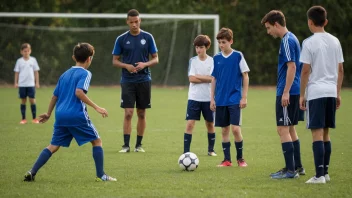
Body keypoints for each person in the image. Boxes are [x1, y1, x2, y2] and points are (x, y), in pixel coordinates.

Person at [23, 43, 116, 182]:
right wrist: (96, 107)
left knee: (53, 146)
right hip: (76, 115)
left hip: (60, 115)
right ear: (89, 59)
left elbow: (55, 96)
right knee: (97, 141)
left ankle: (32, 171)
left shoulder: (65, 74)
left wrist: (48, 113)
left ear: (74, 57)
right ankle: (101, 175)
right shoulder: (85, 73)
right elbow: (79, 92)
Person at [300, 5, 344, 184]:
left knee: (317, 133)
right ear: (325, 21)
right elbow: (340, 69)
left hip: (316, 92)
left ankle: (318, 176)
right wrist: (338, 92)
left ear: (310, 22)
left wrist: (302, 95)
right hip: (331, 92)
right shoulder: (335, 41)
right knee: (326, 133)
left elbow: (305, 71)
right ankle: (325, 173)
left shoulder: (309, 42)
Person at [261, 10, 305, 179]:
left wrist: (285, 92)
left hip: (287, 91)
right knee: (291, 128)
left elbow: (292, 67)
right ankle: (297, 166)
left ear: (276, 24)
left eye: (268, 27)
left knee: (282, 129)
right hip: (293, 90)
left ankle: (291, 171)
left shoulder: (287, 41)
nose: (268, 32)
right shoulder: (293, 37)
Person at [112, 9, 159, 153]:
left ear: (140, 21)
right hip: (127, 80)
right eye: (131, 22)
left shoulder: (148, 37)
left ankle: (139, 145)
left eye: (136, 21)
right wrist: (126, 66)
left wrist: (145, 64)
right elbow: (115, 61)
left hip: (144, 79)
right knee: (128, 113)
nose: (134, 24)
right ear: (127, 22)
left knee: (142, 113)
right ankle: (126, 145)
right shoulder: (121, 39)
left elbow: (156, 58)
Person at [210, 27, 249, 167]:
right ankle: (227, 160)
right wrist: (212, 99)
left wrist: (244, 97)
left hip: (234, 99)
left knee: (235, 129)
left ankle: (241, 159)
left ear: (231, 41)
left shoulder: (238, 56)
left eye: (224, 42)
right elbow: (213, 79)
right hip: (220, 100)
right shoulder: (216, 58)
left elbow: (245, 76)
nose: (221, 45)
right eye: (219, 42)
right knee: (224, 130)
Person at [184, 35, 216, 156]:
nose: (198, 50)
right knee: (190, 123)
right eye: (197, 47)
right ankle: (186, 151)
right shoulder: (193, 61)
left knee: (209, 124)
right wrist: (207, 78)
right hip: (194, 98)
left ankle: (211, 150)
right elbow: (191, 79)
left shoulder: (212, 61)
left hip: (208, 98)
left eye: (201, 47)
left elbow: (213, 79)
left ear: (207, 47)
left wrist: (201, 77)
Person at [14, 43, 40, 124]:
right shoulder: (19, 61)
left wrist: (37, 82)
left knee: (32, 100)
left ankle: (34, 118)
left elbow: (36, 72)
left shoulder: (33, 60)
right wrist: (16, 82)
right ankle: (23, 119)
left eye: (28, 51)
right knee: (23, 100)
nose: (26, 52)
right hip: (22, 84)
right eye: (25, 51)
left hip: (31, 84)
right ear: (21, 52)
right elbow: (17, 72)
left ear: (30, 51)